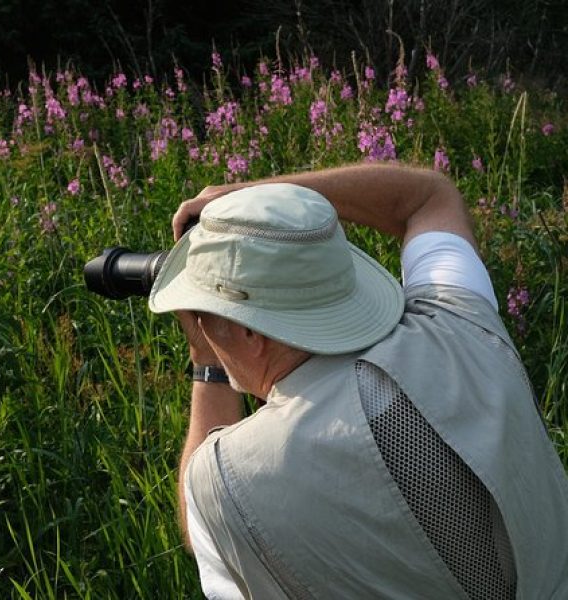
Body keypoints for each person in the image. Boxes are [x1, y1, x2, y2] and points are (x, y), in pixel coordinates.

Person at [147, 163, 568, 599]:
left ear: (251, 333)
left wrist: (206, 363)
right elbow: (428, 195)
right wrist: (249, 197)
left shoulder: (229, 480)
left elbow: (202, 534)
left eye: (203, 311)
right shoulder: (459, 320)